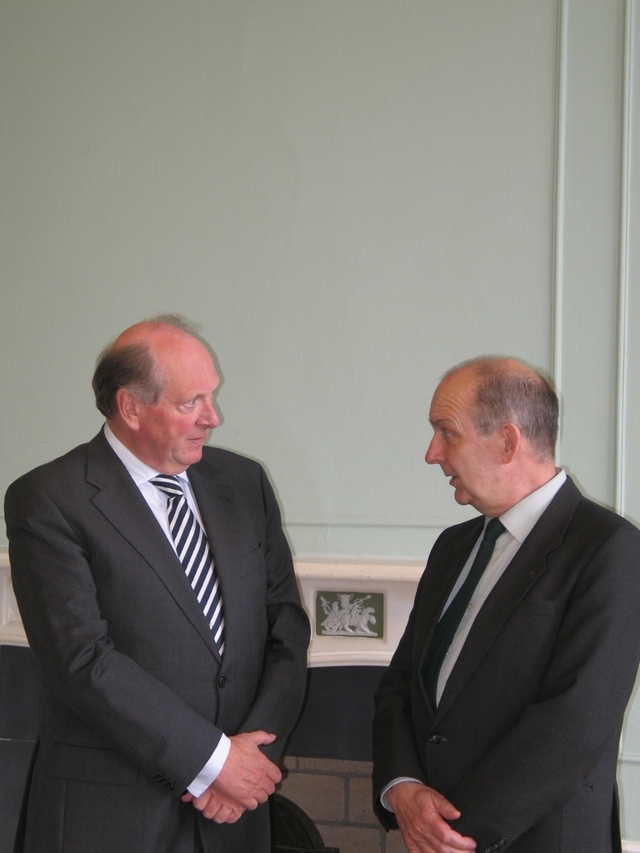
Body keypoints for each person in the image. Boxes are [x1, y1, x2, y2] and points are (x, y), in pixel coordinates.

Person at [5, 315, 310, 853]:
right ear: (131, 408)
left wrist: (249, 762)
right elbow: (83, 662)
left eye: (211, 396)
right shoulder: (48, 499)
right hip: (110, 816)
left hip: (235, 817)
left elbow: (286, 628)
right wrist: (213, 761)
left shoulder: (245, 482)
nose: (212, 418)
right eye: (190, 402)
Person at [372, 356, 640, 853]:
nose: (432, 454)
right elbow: (400, 683)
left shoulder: (610, 549)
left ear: (508, 441)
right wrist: (402, 789)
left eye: (446, 433)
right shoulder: (453, 546)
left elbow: (574, 723)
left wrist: (452, 833)